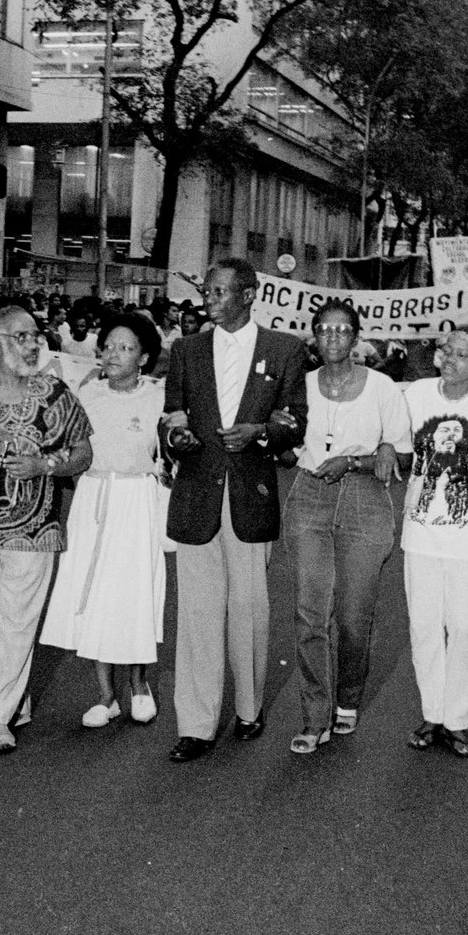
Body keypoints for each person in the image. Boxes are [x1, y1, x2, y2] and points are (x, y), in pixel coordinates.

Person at [159, 258, 309, 762]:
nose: (209, 300)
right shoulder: (185, 350)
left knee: (248, 607)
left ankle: (249, 707)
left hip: (250, 493)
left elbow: (294, 422)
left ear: (249, 294)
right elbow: (172, 413)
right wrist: (176, 435)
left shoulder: (284, 350)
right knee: (198, 612)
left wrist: (259, 433)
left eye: (221, 292)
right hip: (197, 492)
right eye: (207, 291)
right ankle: (197, 725)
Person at [0, 304, 94, 753]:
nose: (31, 345)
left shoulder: (55, 394)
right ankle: (17, 700)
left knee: (17, 619)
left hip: (35, 531)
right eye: (20, 337)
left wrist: (45, 464)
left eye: (35, 337)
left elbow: (83, 453)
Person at [277, 301, 410, 754]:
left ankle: (347, 698)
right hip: (310, 495)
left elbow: (402, 456)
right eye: (324, 329)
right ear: (314, 335)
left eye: (342, 330)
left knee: (354, 617)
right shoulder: (299, 385)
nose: (332, 337)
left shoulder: (384, 388)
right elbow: (282, 437)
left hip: (363, 498)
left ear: (356, 338)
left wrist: (359, 459)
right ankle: (315, 717)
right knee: (311, 613)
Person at [40, 313, 168, 728]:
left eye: (126, 348)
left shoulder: (158, 397)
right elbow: (66, 446)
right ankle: (106, 696)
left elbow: (170, 451)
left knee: (133, 595)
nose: (114, 354)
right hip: (93, 497)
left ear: (144, 358)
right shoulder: (87, 394)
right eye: (110, 345)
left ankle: (139, 687)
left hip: (136, 500)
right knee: (92, 592)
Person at [401, 325, 468, 759]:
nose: (450, 358)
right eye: (447, 349)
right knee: (424, 625)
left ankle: (457, 721)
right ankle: (432, 714)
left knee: (464, 628)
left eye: (463, 353)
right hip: (420, 533)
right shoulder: (415, 395)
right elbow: (392, 437)